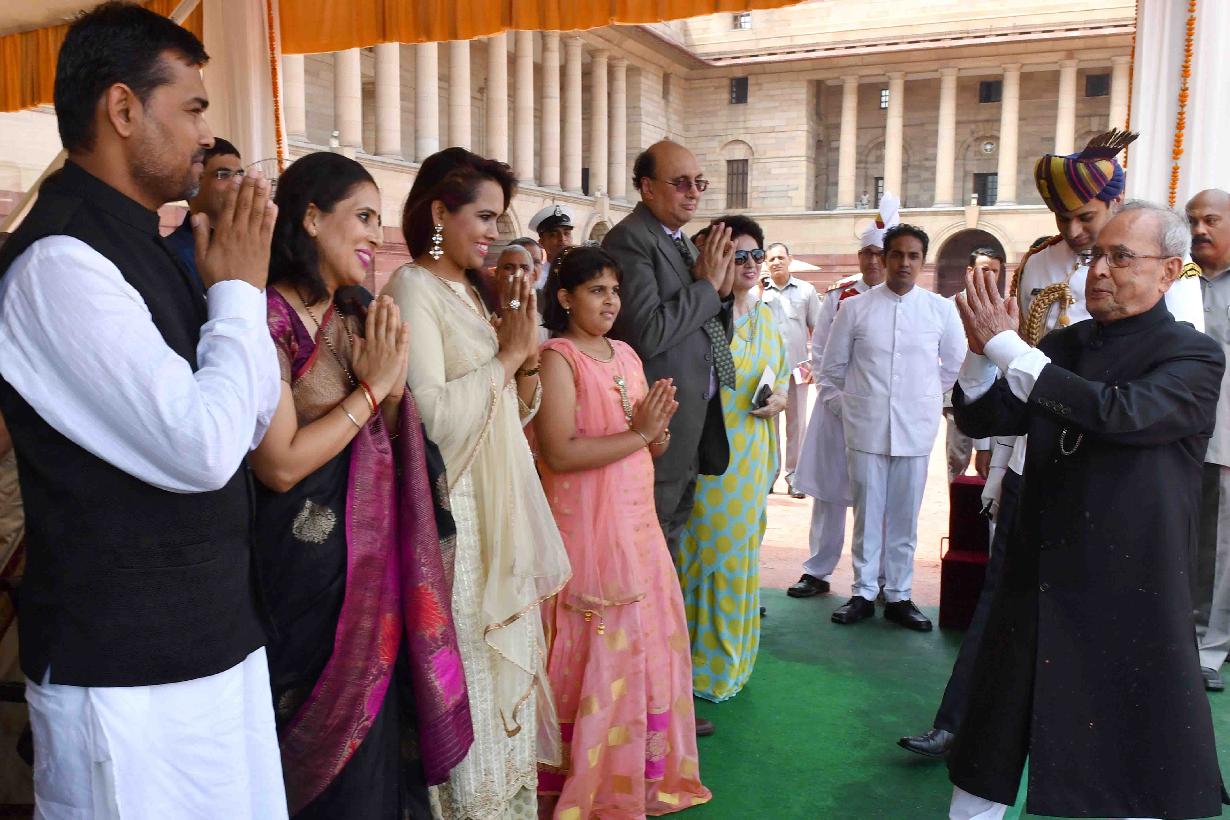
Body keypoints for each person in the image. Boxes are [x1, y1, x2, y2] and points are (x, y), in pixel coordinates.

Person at [0, 4, 288, 816]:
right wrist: (239, 293)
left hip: (211, 642)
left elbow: (249, 413)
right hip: (126, 680)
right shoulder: (60, 261)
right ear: (123, 110)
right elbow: (204, 448)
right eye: (192, 108)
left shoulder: (147, 245)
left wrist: (233, 292)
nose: (207, 133)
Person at [897, 134, 1207, 759]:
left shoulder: (1180, 312)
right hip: (1035, 477)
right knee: (1002, 623)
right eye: (1065, 220)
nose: (1081, 242)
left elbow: (1138, 405)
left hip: (1120, 500)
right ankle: (965, 728)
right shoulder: (1049, 283)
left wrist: (1009, 350)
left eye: (1089, 221)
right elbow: (999, 385)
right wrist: (985, 372)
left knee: (1111, 662)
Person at [947, 202, 1227, 820]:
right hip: (1043, 567)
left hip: (1131, 579)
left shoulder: (1194, 356)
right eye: (1097, 254)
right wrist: (980, 353)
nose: (1099, 269)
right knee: (994, 733)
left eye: (1121, 257)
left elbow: (1117, 414)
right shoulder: (1065, 345)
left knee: (1128, 748)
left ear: (1168, 271)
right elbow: (987, 416)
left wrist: (1009, 347)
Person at [249, 152, 471, 818]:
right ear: (312, 218)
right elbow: (279, 463)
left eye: (379, 219)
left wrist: (391, 393)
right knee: (314, 761)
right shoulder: (264, 318)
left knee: (377, 762)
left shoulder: (357, 313)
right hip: (297, 577)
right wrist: (372, 390)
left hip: (372, 573)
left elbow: (398, 439)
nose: (376, 234)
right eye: (364, 216)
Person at [381, 147, 571, 820]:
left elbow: (509, 414)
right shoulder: (412, 288)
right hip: (454, 517)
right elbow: (427, 418)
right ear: (440, 212)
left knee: (499, 677)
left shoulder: (467, 289)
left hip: (495, 511)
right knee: (465, 671)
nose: (495, 233)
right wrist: (509, 356)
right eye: (484, 217)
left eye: (499, 218)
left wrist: (523, 360)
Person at [532, 245, 712, 818]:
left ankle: (636, 773)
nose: (610, 301)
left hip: (635, 524)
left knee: (646, 632)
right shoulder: (556, 358)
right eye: (596, 291)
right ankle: (580, 780)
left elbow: (644, 443)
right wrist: (640, 434)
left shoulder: (628, 354)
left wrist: (656, 433)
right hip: (584, 528)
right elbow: (559, 453)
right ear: (565, 298)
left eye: (614, 290)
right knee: (592, 635)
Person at [825, 224, 966, 632]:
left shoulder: (940, 310)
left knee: (905, 516)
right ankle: (863, 592)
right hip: (865, 426)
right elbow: (832, 369)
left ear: (923, 261)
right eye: (897, 254)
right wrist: (850, 408)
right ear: (884, 258)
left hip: (915, 428)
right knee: (867, 514)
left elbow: (954, 366)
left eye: (913, 256)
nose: (905, 263)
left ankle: (899, 594)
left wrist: (924, 398)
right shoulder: (855, 308)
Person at [677, 215, 787, 703]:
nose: (750, 264)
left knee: (740, 559)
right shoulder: (701, 317)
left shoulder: (768, 319)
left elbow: (778, 377)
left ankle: (733, 662)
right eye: (737, 255)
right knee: (703, 554)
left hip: (753, 453)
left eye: (756, 255)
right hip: (709, 456)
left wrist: (779, 400)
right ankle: (693, 667)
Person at [789, 199, 894, 599]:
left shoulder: (904, 299)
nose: (873, 261)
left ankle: (879, 578)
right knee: (829, 493)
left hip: (881, 413)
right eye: (867, 252)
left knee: (879, 498)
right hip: (837, 410)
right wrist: (836, 400)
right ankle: (817, 570)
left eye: (881, 253)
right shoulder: (840, 296)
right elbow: (821, 354)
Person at [1189, 188, 1230, 691]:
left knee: (1217, 548)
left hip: (1225, 437)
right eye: (1193, 220)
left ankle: (1209, 648)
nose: (1200, 229)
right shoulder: (1177, 282)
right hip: (1176, 434)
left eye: (1212, 220)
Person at [760, 242, 822, 497]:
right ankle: (769, 475)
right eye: (771, 259)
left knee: (797, 425)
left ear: (790, 260)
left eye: (780, 258)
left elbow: (817, 329)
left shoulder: (806, 291)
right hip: (766, 372)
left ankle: (795, 476)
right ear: (766, 263)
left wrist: (815, 363)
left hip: (799, 368)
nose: (776, 262)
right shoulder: (759, 293)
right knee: (769, 424)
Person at [943, 249, 1004, 482]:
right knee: (957, 460)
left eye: (995, 271)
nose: (990, 276)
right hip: (957, 396)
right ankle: (957, 503)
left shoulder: (1002, 307)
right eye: (985, 270)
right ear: (970, 271)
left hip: (992, 396)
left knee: (989, 464)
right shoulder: (949, 307)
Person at [163, 136, 242, 285]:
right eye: (223, 175)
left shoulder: (249, 245)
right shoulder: (172, 255)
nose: (236, 183)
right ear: (195, 181)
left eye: (239, 175)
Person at [529, 204, 575, 282]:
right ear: (541, 242)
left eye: (566, 233)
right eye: (553, 235)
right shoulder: (537, 278)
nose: (562, 239)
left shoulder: (583, 273)